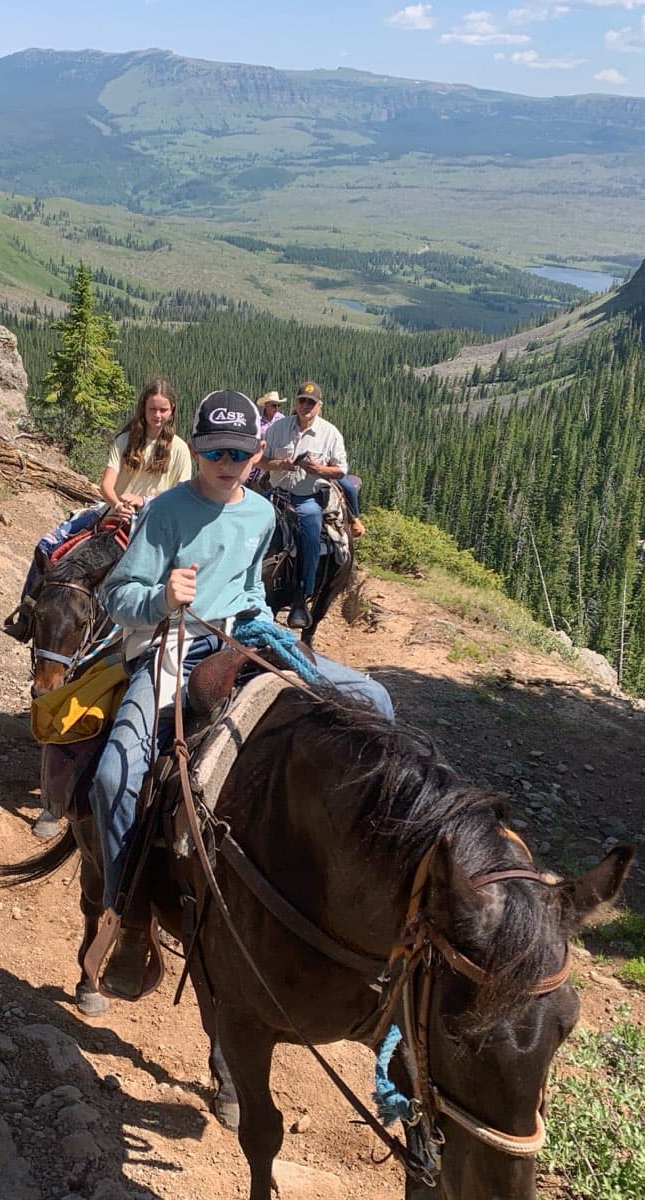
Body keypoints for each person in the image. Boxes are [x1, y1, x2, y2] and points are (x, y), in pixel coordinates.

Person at [89, 389, 392, 997]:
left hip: (245, 632)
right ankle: (125, 914)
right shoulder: (166, 512)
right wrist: (160, 597)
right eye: (214, 452)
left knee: (374, 701)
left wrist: (268, 626)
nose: (226, 463)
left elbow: (251, 583)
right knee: (113, 777)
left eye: (239, 453)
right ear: (196, 451)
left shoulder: (259, 514)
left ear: (258, 453)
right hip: (174, 642)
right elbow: (115, 597)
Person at [4, 381, 193, 641]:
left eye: (163, 410)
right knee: (48, 546)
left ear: (172, 410)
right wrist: (117, 504)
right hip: (111, 512)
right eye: (152, 409)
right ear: (143, 409)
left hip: (154, 520)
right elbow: (106, 483)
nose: (157, 415)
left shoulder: (180, 450)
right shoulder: (125, 440)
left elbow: (180, 492)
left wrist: (143, 500)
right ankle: (26, 617)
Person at [260, 380, 365, 630]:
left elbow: (341, 471)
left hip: (307, 497)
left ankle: (300, 596)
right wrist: (279, 464)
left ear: (319, 406)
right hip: (277, 492)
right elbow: (260, 461)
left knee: (310, 528)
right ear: (295, 402)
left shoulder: (330, 433)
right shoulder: (278, 429)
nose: (306, 405)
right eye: (302, 401)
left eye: (311, 402)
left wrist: (318, 469)